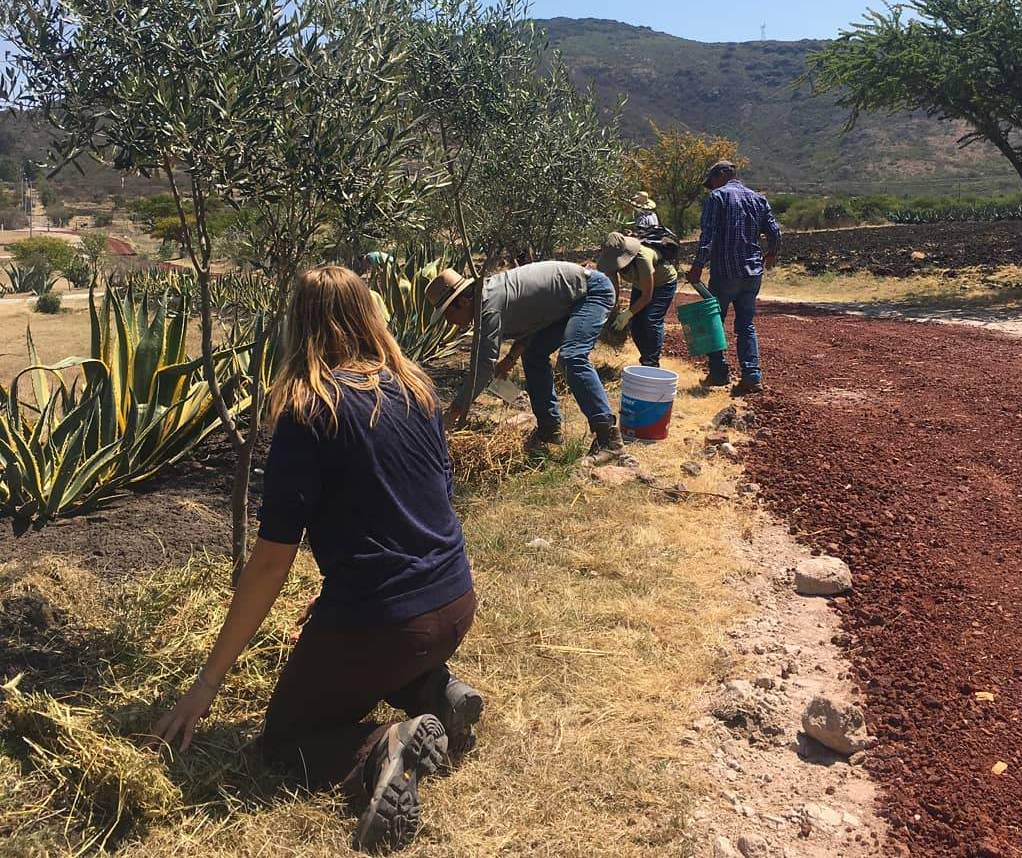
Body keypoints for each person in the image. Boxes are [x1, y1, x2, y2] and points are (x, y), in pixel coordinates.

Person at [151, 266, 482, 853]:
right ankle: (437, 692)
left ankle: (385, 745)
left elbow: (271, 563)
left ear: (297, 327)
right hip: (455, 601)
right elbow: (430, 501)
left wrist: (206, 684)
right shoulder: (417, 388)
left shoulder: (309, 411)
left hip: (386, 621)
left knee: (283, 743)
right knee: (379, 652)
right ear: (370, 314)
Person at [426, 261, 624, 460]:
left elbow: (483, 368)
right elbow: (535, 319)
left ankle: (608, 438)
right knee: (534, 355)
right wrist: (511, 358)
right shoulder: (486, 298)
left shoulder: (489, 305)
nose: (448, 321)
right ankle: (549, 429)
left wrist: (453, 412)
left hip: (591, 292)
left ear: (463, 302)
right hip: (566, 303)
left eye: (448, 313)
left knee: (573, 356)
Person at [687, 162, 781, 394]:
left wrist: (698, 265)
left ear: (720, 175)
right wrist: (771, 252)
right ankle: (752, 375)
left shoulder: (717, 197)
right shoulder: (758, 199)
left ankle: (719, 373)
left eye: (712, 182)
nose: (711, 187)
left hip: (725, 271)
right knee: (746, 325)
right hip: (752, 273)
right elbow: (775, 232)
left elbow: (708, 235)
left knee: (714, 321)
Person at [597, 232, 678, 368]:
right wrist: (613, 310)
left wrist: (628, 313)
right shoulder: (611, 262)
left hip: (663, 283)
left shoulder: (643, 258)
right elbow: (614, 289)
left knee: (652, 319)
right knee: (636, 325)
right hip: (640, 285)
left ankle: (651, 363)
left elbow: (647, 295)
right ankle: (646, 357)